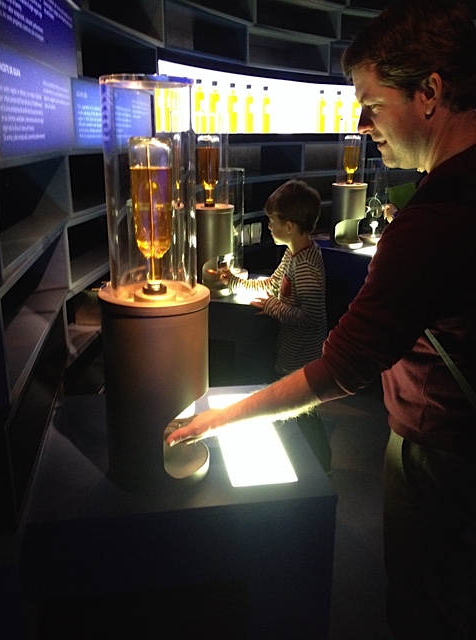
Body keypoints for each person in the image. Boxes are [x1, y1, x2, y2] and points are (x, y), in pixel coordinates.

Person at [168, 0, 476, 636]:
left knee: (426, 607)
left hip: (441, 451)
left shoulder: (433, 223)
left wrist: (217, 419)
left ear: (429, 93)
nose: (362, 125)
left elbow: (340, 368)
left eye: (371, 104)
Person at [222, 179, 331, 472]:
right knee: (298, 411)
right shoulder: (295, 254)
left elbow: (310, 317)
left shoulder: (305, 267)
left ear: (290, 226)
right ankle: (312, 462)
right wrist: (234, 282)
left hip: (301, 357)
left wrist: (271, 307)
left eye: (272, 221)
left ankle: (321, 466)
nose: (269, 226)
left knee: (303, 413)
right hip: (294, 353)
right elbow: (273, 285)